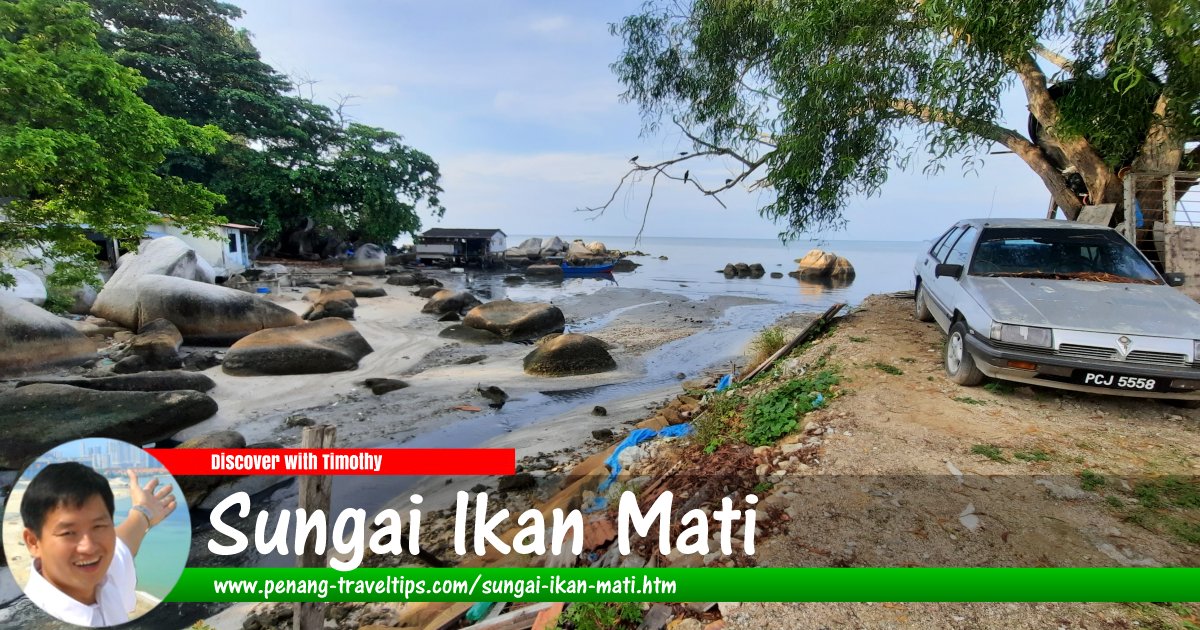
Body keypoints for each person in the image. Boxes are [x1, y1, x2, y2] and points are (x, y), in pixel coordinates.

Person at [19, 462, 177, 627]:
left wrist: (144, 512)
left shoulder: (104, 575)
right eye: (68, 533)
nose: (89, 547)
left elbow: (123, 545)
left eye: (98, 526)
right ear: (33, 542)